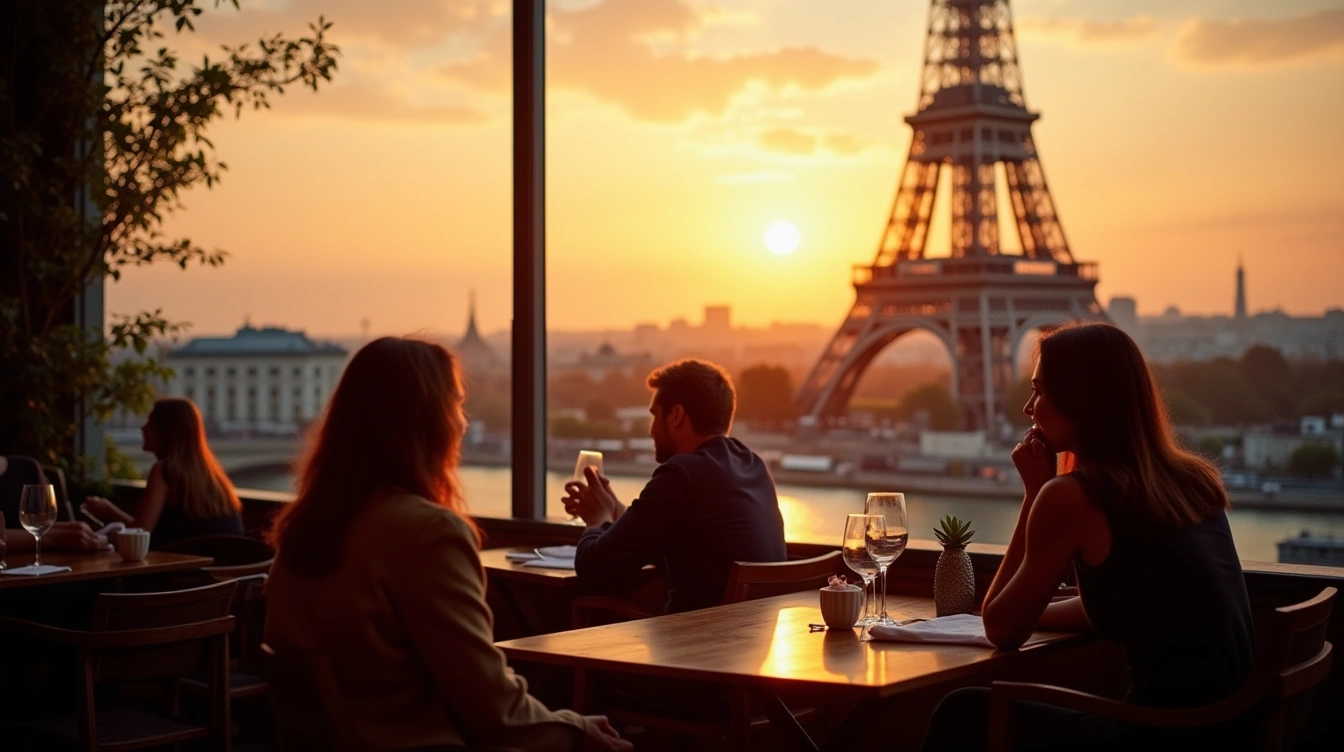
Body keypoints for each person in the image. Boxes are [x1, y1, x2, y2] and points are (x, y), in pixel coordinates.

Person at [264, 337, 629, 752]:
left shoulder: (302, 529)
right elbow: (496, 714)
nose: (464, 423)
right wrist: (578, 732)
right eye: (456, 405)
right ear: (429, 423)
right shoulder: (428, 534)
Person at [921, 322, 1255, 751]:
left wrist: (1033, 494)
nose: (1028, 407)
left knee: (962, 713)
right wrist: (1038, 607)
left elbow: (1000, 626)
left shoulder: (1073, 497)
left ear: (1080, 400)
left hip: (1157, 734)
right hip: (1224, 729)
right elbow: (1143, 599)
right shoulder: (1191, 481)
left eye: (1040, 391)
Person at [564, 358, 787, 614]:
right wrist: (612, 506)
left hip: (693, 647)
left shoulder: (681, 475)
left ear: (677, 415)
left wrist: (596, 519)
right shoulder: (754, 465)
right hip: (750, 646)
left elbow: (593, 569)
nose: (651, 430)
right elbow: (657, 537)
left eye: (654, 415)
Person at [83, 398, 244, 548]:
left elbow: (140, 532)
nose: (143, 428)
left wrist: (108, 510)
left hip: (184, 574)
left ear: (166, 431)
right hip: (224, 574)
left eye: (150, 422)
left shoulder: (164, 471)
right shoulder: (213, 475)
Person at [1, 455, 103, 554]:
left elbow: (49, 521)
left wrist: (80, 533)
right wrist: (55, 537)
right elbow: (53, 533)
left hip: (47, 566)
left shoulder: (27, 468)